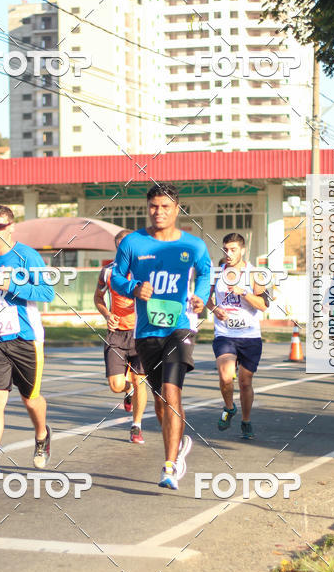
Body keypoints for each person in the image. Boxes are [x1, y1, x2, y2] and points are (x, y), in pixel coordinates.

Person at [111, 183, 211, 490]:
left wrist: (201, 297)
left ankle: (169, 466)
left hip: (180, 328)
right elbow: (116, 276)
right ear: (148, 208)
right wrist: (133, 288)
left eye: (165, 206)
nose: (159, 212)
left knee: (171, 392)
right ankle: (177, 443)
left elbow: (206, 272)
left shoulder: (193, 245)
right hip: (146, 333)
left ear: (177, 209)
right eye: (154, 206)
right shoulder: (132, 243)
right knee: (160, 400)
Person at [0, 205, 55, 478]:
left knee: (30, 399)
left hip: (26, 337)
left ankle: (42, 434)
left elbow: (47, 292)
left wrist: (13, 286)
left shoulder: (27, 256)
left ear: (11, 227)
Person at [207, 233, 269, 439]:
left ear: (242, 250)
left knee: (244, 382)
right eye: (225, 249)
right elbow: (207, 298)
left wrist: (244, 292)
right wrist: (216, 310)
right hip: (225, 333)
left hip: (250, 335)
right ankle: (229, 407)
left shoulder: (254, 274)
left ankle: (246, 421)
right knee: (226, 377)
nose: (228, 254)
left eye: (233, 249)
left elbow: (263, 305)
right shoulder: (217, 273)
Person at [94, 230, 148, 443]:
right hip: (117, 334)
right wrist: (107, 314)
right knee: (116, 385)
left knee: (140, 379)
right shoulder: (107, 272)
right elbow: (98, 297)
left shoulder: (147, 270)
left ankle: (136, 426)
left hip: (142, 334)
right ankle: (128, 389)